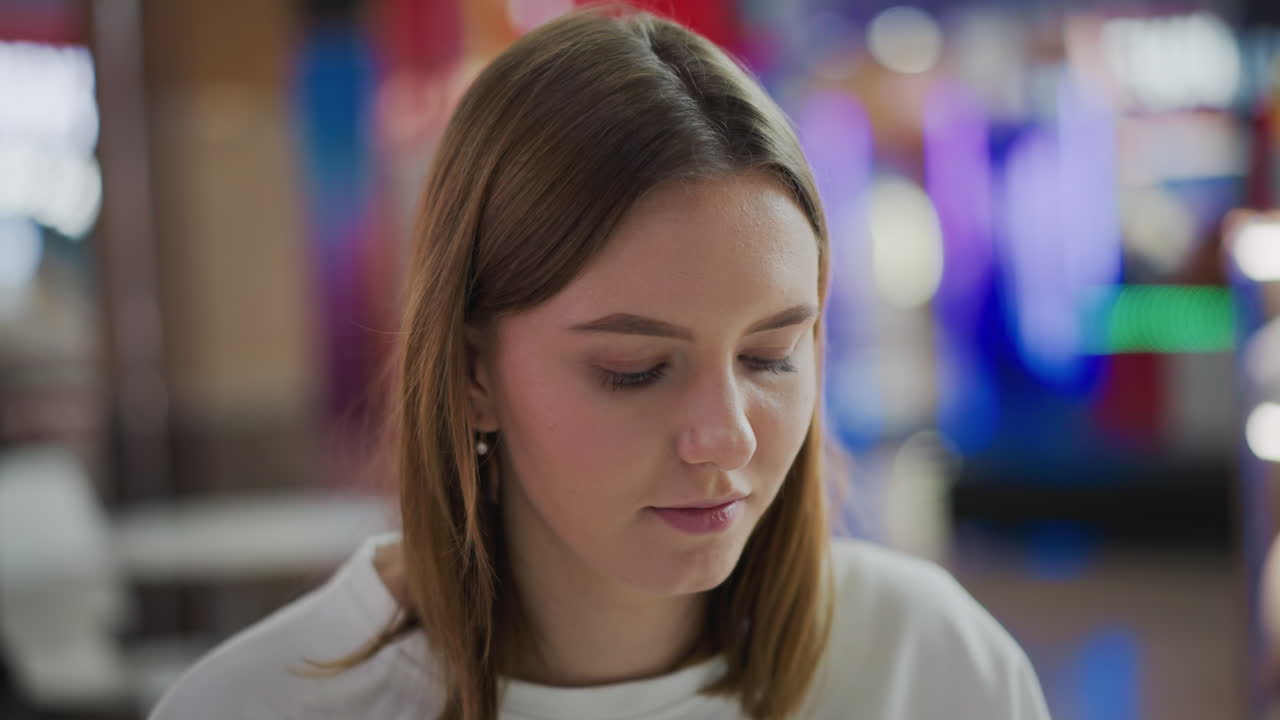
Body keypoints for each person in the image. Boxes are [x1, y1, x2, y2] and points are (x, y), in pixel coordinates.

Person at [149, 7, 1051, 720]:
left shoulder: (933, 667)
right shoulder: (263, 704)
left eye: (772, 356)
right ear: (472, 376)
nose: (724, 436)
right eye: (633, 369)